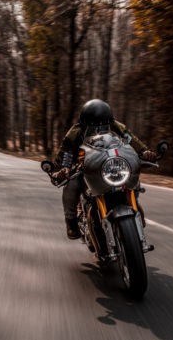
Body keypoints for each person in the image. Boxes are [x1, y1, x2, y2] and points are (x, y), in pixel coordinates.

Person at [54, 99, 156, 239]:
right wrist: (63, 169)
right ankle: (71, 220)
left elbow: (132, 140)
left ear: (110, 121)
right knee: (71, 183)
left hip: (109, 164)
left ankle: (134, 204)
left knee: (130, 175)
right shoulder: (75, 133)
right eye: (92, 128)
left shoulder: (116, 126)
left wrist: (145, 152)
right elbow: (66, 153)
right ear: (83, 124)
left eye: (104, 127)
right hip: (86, 167)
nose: (99, 131)